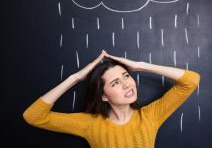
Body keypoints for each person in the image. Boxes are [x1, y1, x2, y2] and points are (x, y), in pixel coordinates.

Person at [23, 50, 200, 148]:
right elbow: (33, 116)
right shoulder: (89, 124)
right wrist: (75, 78)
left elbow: (191, 81)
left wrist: (140, 66)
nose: (126, 84)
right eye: (115, 83)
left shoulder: (150, 116)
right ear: (103, 95)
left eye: (126, 76)